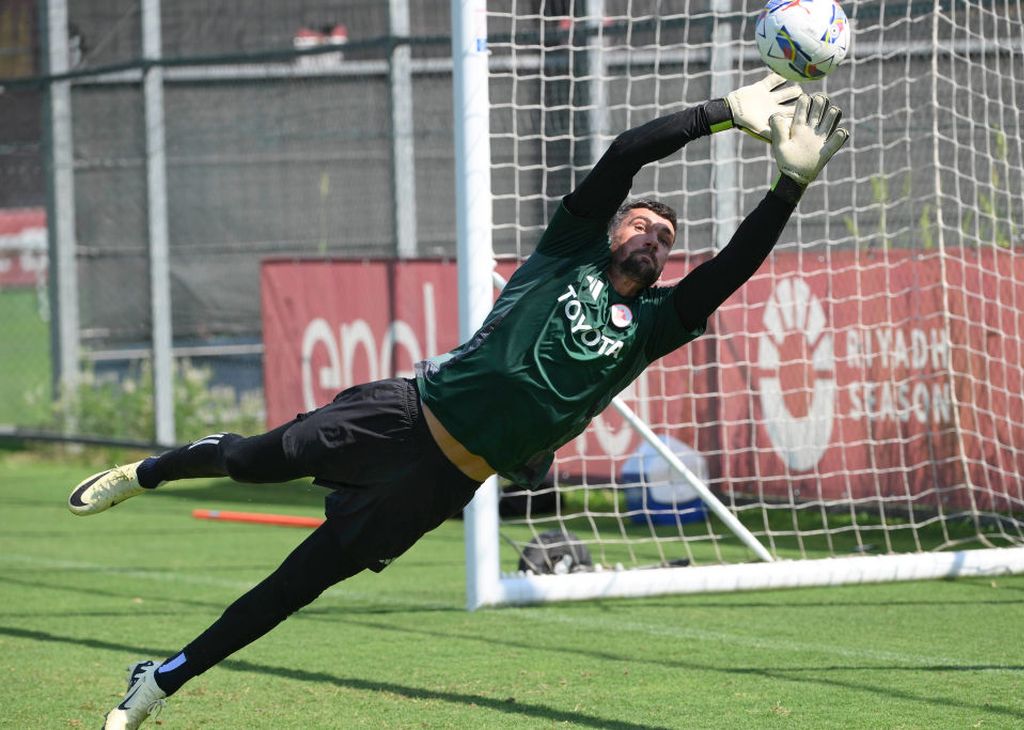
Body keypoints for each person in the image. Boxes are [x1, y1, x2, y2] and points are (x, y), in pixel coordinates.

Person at [68, 73, 848, 729]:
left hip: (444, 482)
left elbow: (735, 267)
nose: (651, 238)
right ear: (612, 230)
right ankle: (145, 474)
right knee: (250, 460)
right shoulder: (565, 252)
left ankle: (159, 681)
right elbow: (625, 153)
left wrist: (790, 184)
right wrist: (717, 113)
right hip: (402, 412)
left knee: (292, 588)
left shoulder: (652, 327)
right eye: (641, 225)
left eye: (665, 241)